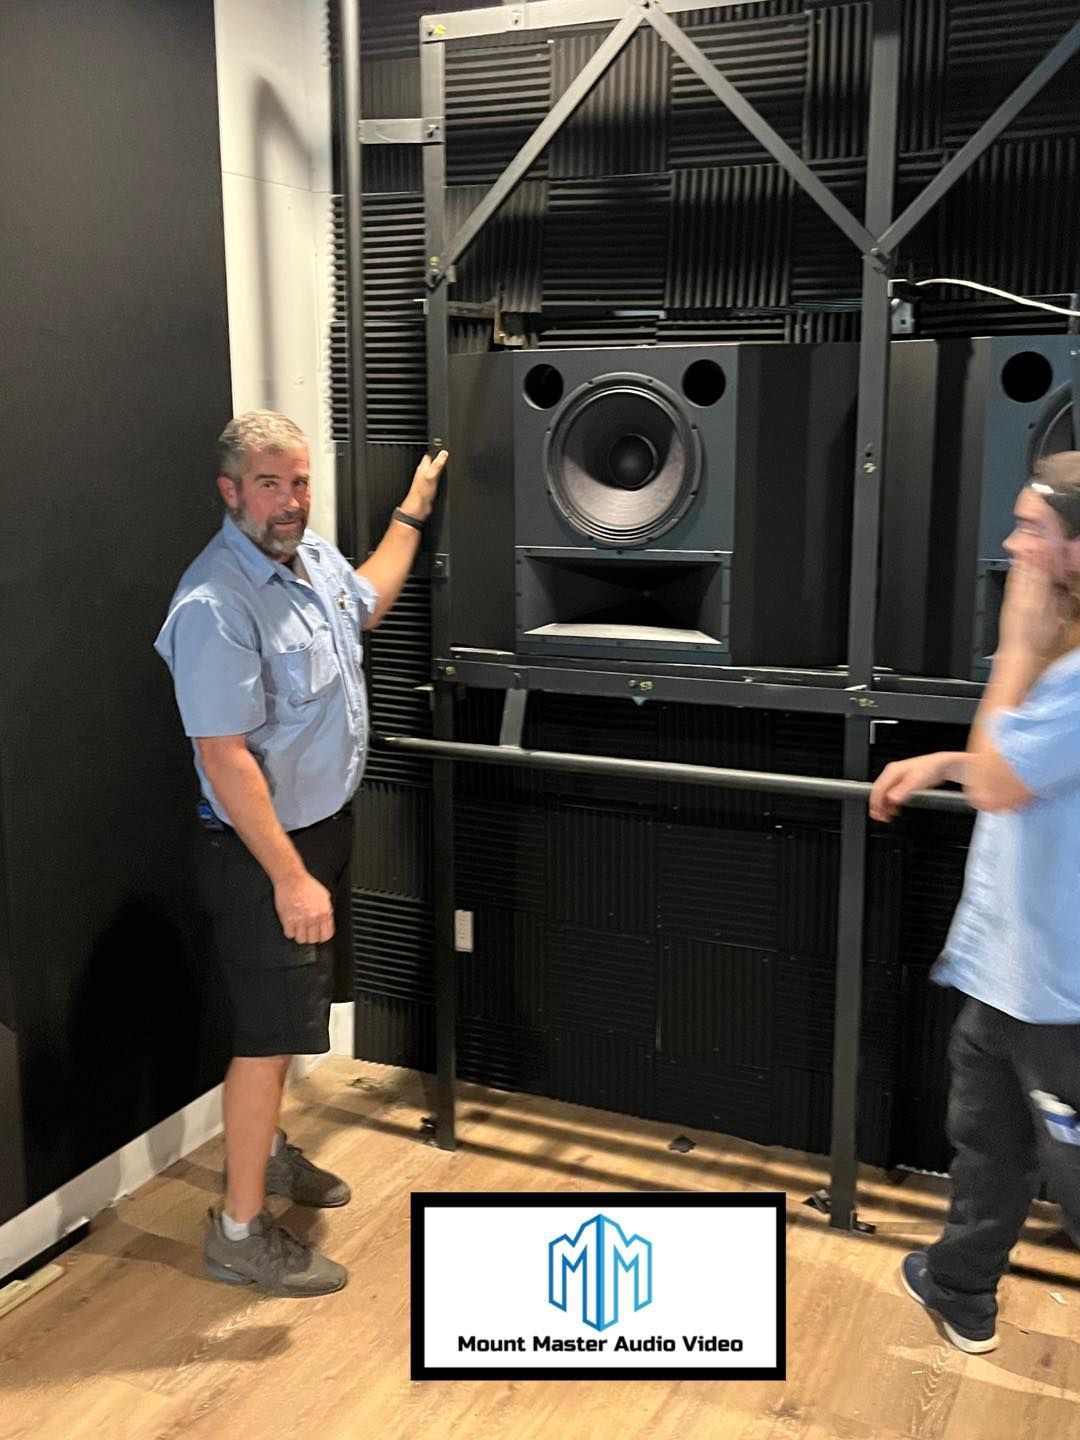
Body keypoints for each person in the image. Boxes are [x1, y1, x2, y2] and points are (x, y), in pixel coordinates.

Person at [155, 409, 447, 1297]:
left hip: (319, 831)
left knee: (284, 1020)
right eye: (271, 485)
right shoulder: (214, 604)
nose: (291, 502)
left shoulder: (308, 560)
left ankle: (269, 1154)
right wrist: (290, 877)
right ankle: (239, 1232)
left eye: (300, 481)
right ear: (230, 491)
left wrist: (412, 512)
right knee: (268, 1035)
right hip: (264, 854)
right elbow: (223, 756)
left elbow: (367, 598)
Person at [869, 450, 1080, 1354]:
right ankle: (961, 1286)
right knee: (987, 1139)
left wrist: (1018, 641)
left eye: (1032, 529)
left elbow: (1003, 779)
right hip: (1008, 968)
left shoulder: (1069, 667)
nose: (1011, 542)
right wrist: (947, 763)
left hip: (1061, 991)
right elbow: (1011, 769)